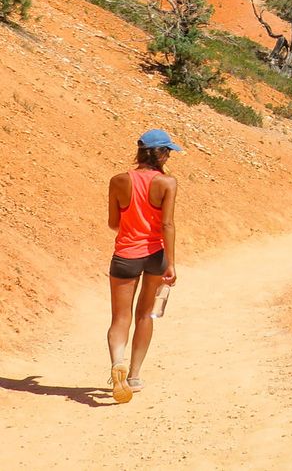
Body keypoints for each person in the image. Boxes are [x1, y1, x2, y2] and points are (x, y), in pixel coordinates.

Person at [105, 128, 181, 403]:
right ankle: (135, 376)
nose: (169, 156)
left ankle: (118, 363)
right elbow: (167, 224)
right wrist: (171, 263)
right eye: (168, 152)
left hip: (125, 255)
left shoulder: (118, 181)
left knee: (120, 318)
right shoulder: (167, 183)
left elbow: (113, 223)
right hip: (155, 255)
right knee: (145, 315)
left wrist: (131, 230)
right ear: (161, 154)